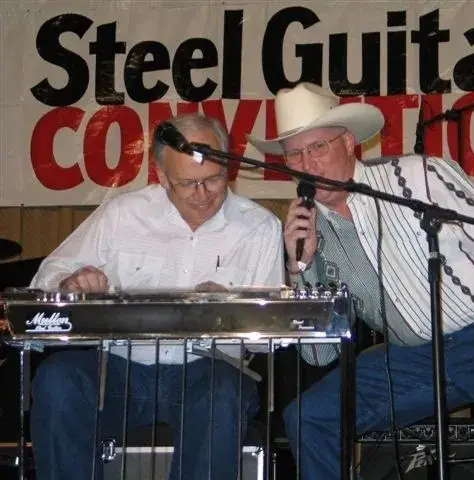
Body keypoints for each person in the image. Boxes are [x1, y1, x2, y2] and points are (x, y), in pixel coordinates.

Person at [247, 83, 474, 480]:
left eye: (318, 148)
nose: (307, 164)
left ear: (348, 143)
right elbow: (319, 356)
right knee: (309, 416)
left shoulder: (419, 177)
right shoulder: (309, 229)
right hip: (409, 358)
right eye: (294, 153)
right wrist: (301, 265)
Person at [29, 113, 285, 480]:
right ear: (162, 178)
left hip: (208, 372)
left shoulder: (260, 227)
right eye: (187, 183)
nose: (203, 194)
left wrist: (232, 312)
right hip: (116, 372)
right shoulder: (124, 214)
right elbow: (47, 275)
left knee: (221, 395)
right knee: (58, 380)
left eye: (214, 179)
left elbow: (270, 342)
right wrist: (73, 281)